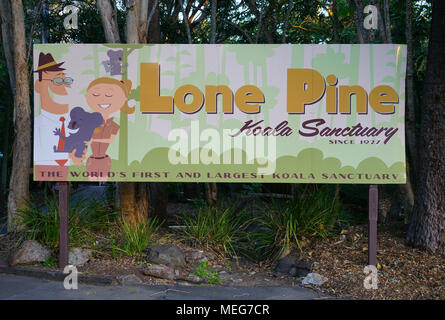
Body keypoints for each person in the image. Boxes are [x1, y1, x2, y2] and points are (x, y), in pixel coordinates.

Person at [84, 77, 134, 181]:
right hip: (91, 159)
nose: (102, 99)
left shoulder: (114, 125)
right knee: (91, 179)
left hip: (104, 159)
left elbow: (110, 140)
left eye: (109, 95)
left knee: (103, 179)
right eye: (96, 95)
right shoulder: (89, 122)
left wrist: (93, 140)